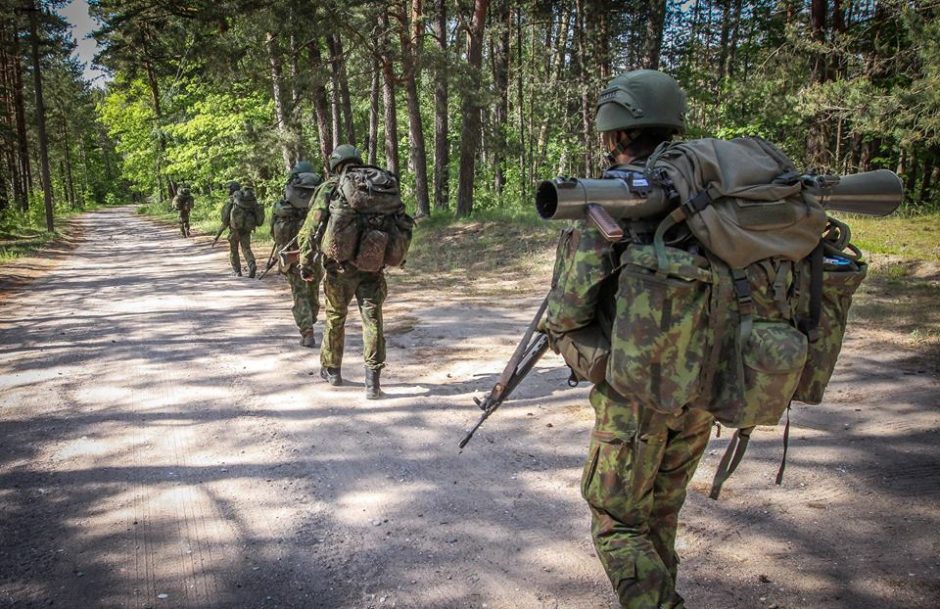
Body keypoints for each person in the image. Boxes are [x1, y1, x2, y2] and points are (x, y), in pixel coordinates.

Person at [542, 70, 712, 609]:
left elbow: (568, 309)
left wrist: (588, 356)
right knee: (661, 506)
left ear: (614, 132)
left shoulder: (615, 199)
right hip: (708, 384)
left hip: (640, 392)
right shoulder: (712, 193)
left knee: (616, 519)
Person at [298, 144, 388, 400]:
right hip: (372, 267)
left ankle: (332, 370)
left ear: (336, 165)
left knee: (335, 317)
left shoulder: (330, 188)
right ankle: (373, 383)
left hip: (338, 269)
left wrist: (306, 263)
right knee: (373, 321)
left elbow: (310, 228)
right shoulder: (377, 187)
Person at [270, 162, 324, 347]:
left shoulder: (283, 205)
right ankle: (310, 318)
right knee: (313, 292)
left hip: (291, 256)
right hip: (314, 255)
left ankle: (307, 330)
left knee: (299, 294)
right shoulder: (319, 201)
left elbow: (272, 231)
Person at [224, 183, 263, 278]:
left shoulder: (232, 201)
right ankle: (251, 264)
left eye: (228, 188)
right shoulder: (249, 201)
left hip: (234, 229)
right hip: (246, 229)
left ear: (231, 189)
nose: (227, 190)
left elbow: (225, 218)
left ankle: (237, 271)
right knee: (246, 248)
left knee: (234, 251)